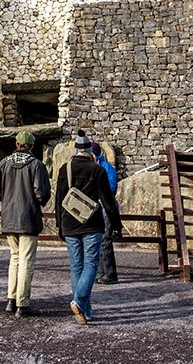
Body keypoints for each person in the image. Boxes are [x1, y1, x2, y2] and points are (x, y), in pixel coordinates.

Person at [54, 135, 123, 326]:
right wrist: (117, 224)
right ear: (90, 151)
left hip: (69, 222)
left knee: (76, 266)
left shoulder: (64, 169)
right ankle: (79, 301)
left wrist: (59, 225)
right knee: (91, 263)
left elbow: (59, 200)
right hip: (92, 223)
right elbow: (108, 202)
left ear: (75, 149)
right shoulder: (97, 170)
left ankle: (86, 310)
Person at [0, 131, 51, 318]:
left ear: (16, 143)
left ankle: (11, 299)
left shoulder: (3, 164)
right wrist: (36, 202)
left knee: (15, 258)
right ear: (31, 146)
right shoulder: (36, 165)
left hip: (9, 217)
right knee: (26, 260)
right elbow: (42, 193)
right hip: (28, 218)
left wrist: (8, 201)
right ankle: (23, 304)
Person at [91, 140, 120, 285]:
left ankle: (109, 273)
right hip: (95, 206)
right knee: (96, 239)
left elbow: (112, 188)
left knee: (105, 239)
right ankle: (100, 272)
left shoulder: (107, 167)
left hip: (105, 205)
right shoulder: (94, 167)